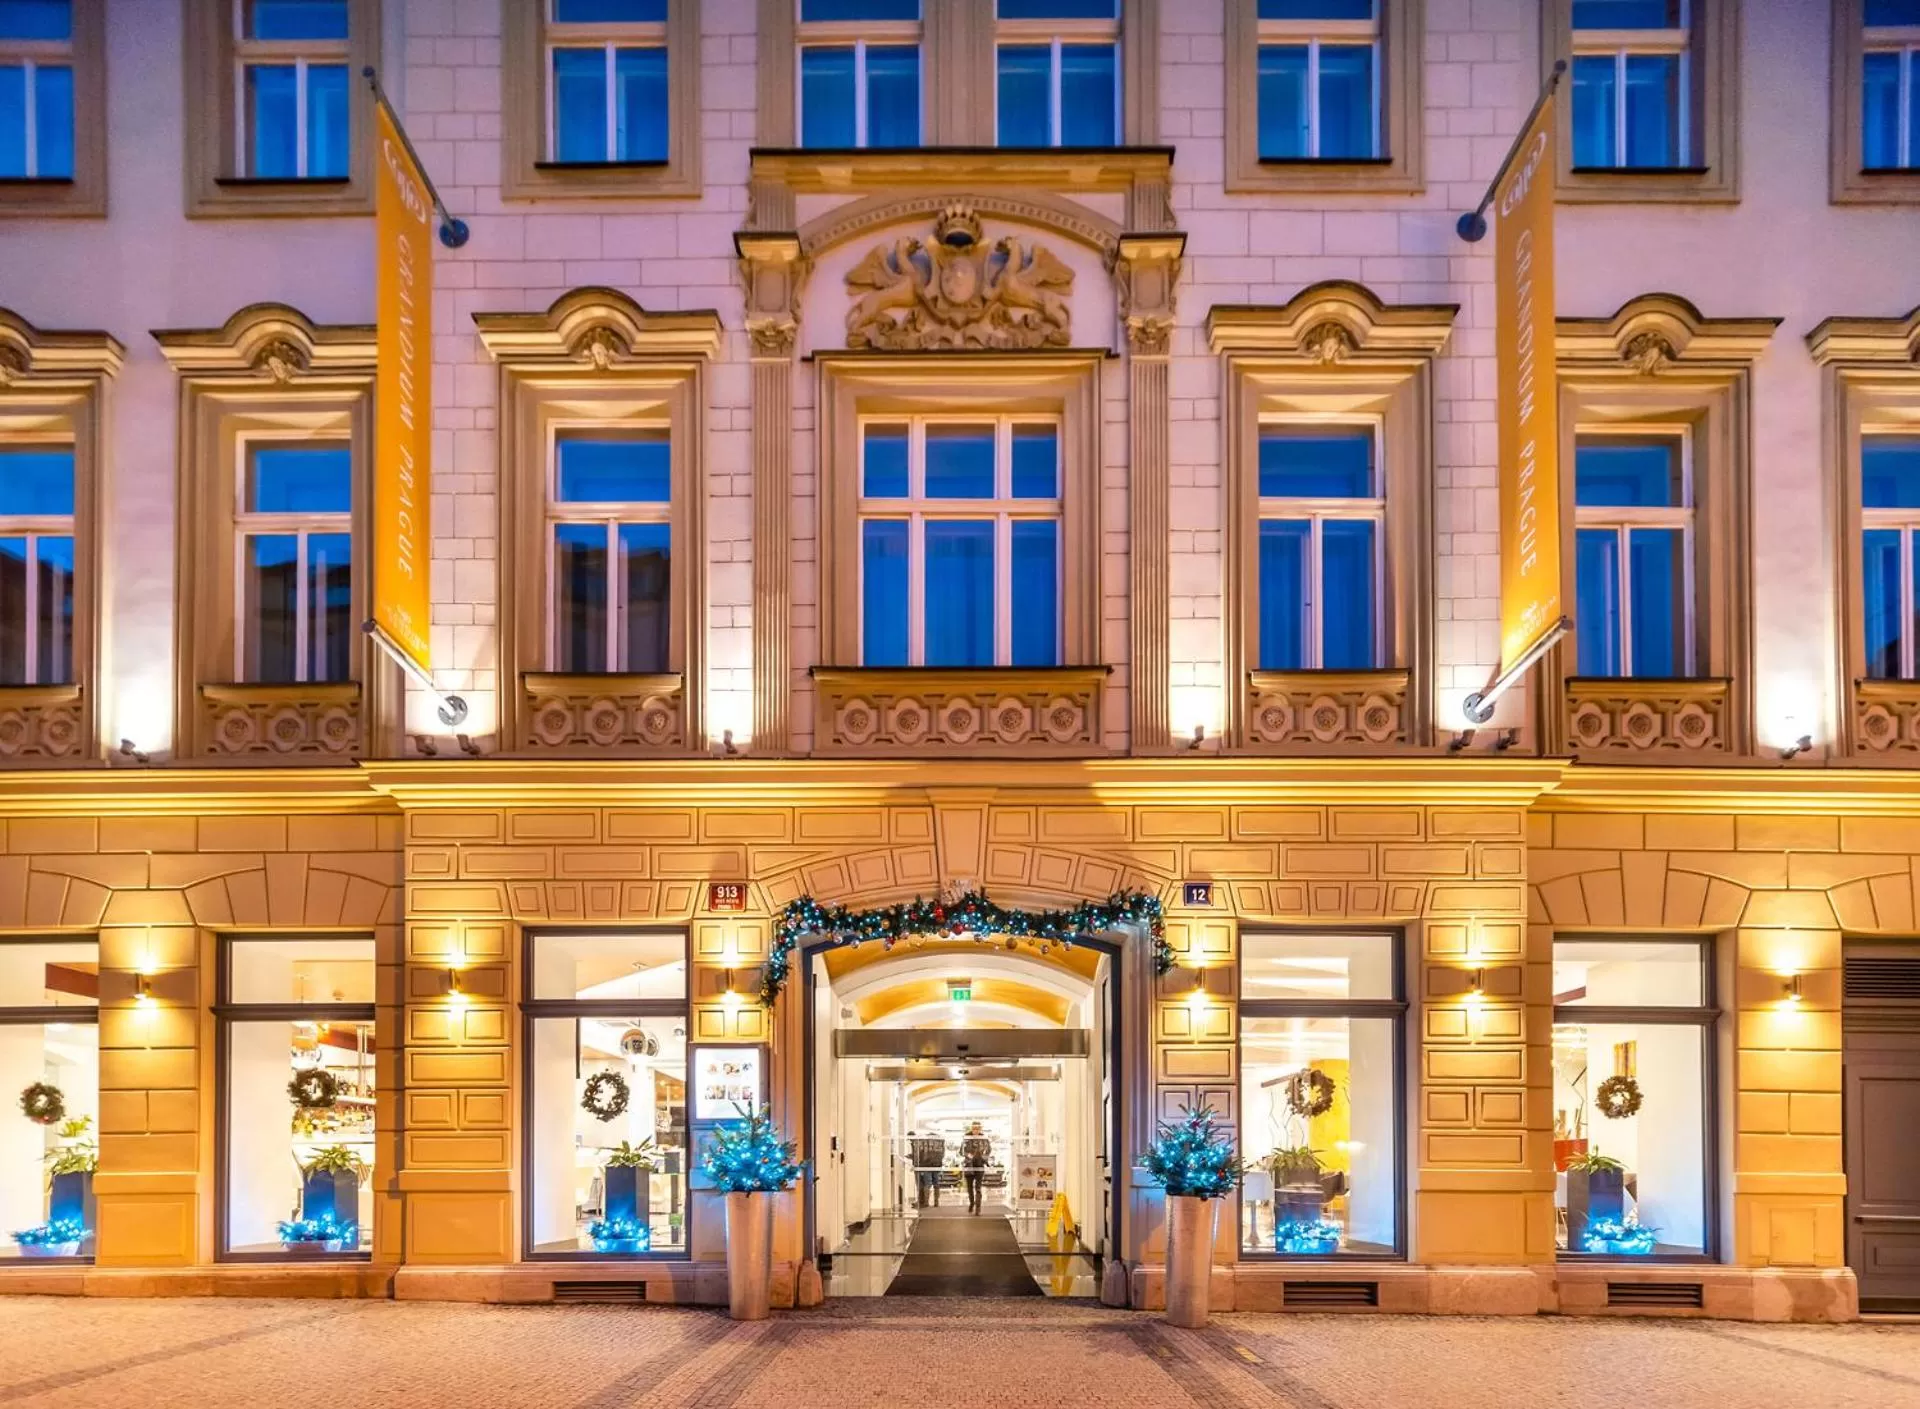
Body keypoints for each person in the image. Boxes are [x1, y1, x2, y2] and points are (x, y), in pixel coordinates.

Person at [961, 1122, 992, 1215]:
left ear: (980, 1129)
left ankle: (978, 1207)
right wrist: (968, 1155)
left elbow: (989, 1150)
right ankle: (971, 1203)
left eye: (978, 1128)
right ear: (971, 1128)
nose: (976, 1130)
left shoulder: (984, 1139)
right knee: (970, 1187)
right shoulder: (966, 1138)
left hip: (979, 1165)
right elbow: (961, 1151)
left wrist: (984, 1157)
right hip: (969, 1165)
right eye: (974, 1128)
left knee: (978, 1187)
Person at [909, 1129, 945, 1209]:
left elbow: (919, 1154)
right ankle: (936, 1202)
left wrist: (916, 1163)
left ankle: (925, 1202)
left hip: (926, 1165)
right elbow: (943, 1154)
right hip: (937, 1165)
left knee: (927, 1184)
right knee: (936, 1184)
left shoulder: (923, 1142)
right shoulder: (940, 1142)